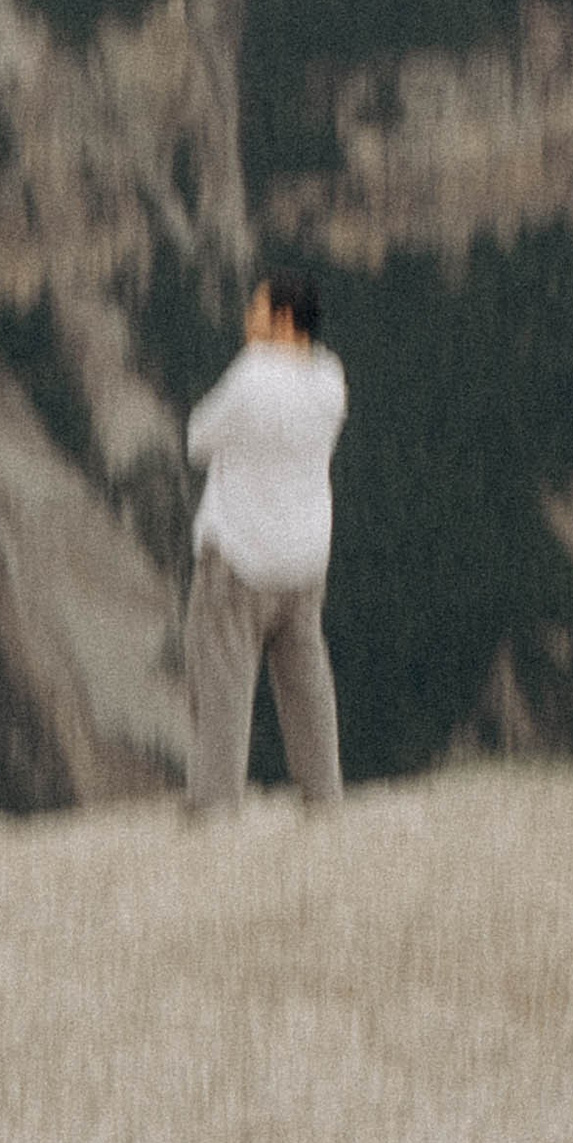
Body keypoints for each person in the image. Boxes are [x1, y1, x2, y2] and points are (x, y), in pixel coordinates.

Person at [182, 271, 347, 813]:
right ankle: (323, 798)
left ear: (281, 319)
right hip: (304, 557)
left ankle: (215, 806)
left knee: (223, 680)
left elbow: (199, 439)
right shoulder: (330, 380)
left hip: (240, 554)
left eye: (255, 308)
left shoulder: (251, 375)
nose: (245, 319)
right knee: (307, 682)